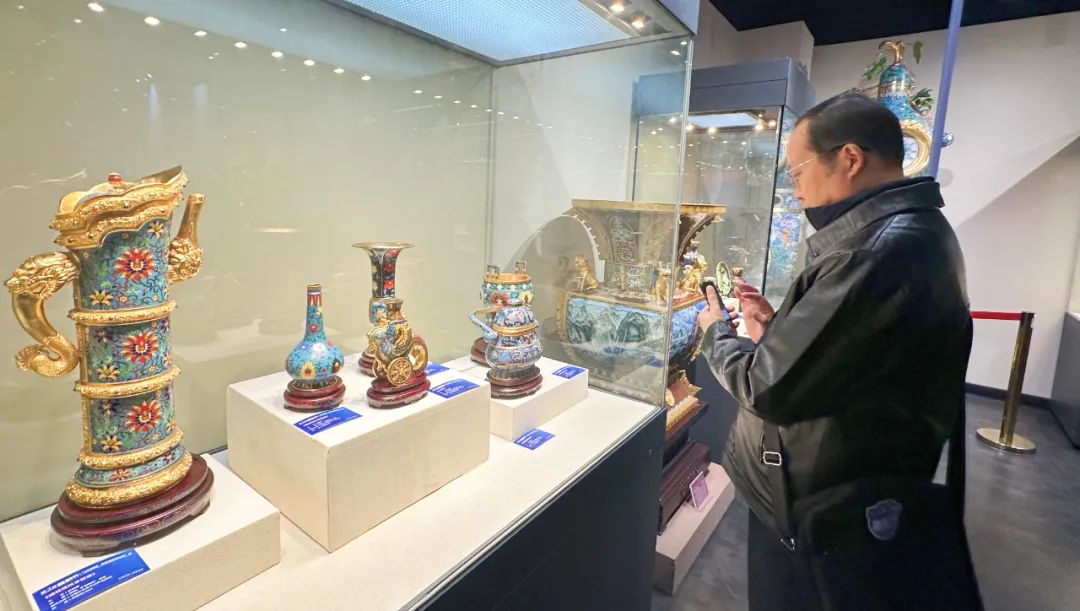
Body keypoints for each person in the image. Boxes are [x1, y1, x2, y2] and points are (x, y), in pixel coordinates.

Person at [697, 92, 982, 610]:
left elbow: (767, 389)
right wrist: (779, 329)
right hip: (839, 489)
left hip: (821, 505)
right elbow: (851, 352)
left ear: (850, 158)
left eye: (797, 171)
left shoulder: (875, 251)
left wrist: (717, 332)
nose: (795, 189)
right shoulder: (908, 232)